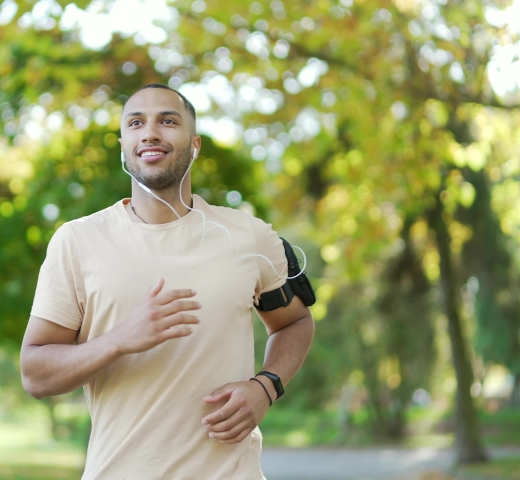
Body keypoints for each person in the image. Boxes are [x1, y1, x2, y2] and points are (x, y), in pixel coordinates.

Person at [20, 84, 315, 479]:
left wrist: (267, 386)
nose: (151, 132)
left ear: (194, 146)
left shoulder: (250, 237)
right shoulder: (78, 241)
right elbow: (35, 373)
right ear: (124, 145)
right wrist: (120, 339)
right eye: (136, 122)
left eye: (168, 121)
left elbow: (295, 322)